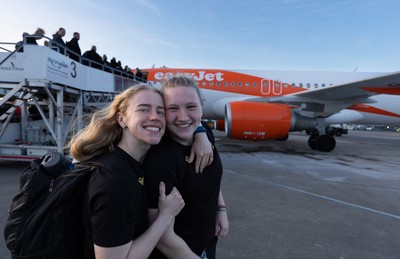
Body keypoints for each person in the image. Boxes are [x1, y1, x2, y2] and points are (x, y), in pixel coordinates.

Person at [69, 84, 212, 259]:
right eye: (143, 109)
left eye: (160, 111)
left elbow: (186, 121)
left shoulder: (130, 160)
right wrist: (165, 217)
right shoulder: (116, 182)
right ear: (122, 120)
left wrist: (200, 132)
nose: (154, 117)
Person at [144, 76, 229, 259]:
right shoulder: (160, 159)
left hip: (206, 241)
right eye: (172, 108)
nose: (182, 117)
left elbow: (212, 174)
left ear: (201, 106)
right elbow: (161, 236)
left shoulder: (204, 131)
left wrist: (220, 208)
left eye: (191, 107)